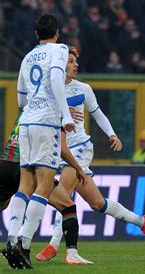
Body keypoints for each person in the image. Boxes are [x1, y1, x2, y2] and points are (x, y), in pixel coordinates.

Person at [36, 47, 145, 262]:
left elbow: (98, 114)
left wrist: (112, 134)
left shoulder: (83, 89)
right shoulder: (48, 91)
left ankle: (56, 246)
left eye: (75, 61)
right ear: (58, 65)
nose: (76, 65)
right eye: (71, 61)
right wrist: (59, 114)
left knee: (63, 192)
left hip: (80, 147)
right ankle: (142, 221)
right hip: (59, 151)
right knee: (97, 203)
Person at [3, 14, 86, 270]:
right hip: (46, 121)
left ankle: (11, 238)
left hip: (26, 121)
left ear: (36, 34)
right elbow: (54, 80)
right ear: (57, 33)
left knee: (25, 184)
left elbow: (20, 97)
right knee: (44, 184)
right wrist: (63, 114)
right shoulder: (60, 50)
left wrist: (32, 110)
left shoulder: (28, 56)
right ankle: (24, 244)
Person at [1, 113, 91, 268]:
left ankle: (13, 240)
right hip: (31, 168)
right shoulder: (54, 111)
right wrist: (78, 167)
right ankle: (69, 253)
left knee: (2, 205)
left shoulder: (26, 109)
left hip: (6, 163)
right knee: (67, 206)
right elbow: (62, 148)